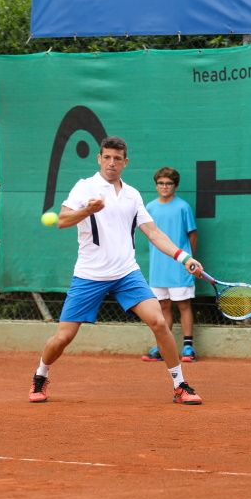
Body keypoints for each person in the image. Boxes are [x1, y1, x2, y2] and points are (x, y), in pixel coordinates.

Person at [29, 136, 204, 406]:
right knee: (63, 337)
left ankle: (179, 385)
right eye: (107, 157)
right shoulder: (85, 187)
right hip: (89, 275)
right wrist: (88, 210)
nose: (112, 162)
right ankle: (41, 375)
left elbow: (153, 233)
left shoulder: (132, 194)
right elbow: (62, 220)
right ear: (99, 159)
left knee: (159, 322)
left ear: (125, 162)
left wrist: (184, 257)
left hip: (126, 273)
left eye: (117, 158)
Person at [141, 167, 199, 364]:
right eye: (161, 183)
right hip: (158, 269)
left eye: (168, 183)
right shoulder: (150, 207)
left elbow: (193, 235)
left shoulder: (183, 207)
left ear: (176, 185)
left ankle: (188, 348)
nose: (164, 187)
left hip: (180, 268)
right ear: (156, 185)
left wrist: (189, 260)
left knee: (183, 305)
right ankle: (162, 347)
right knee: (163, 306)